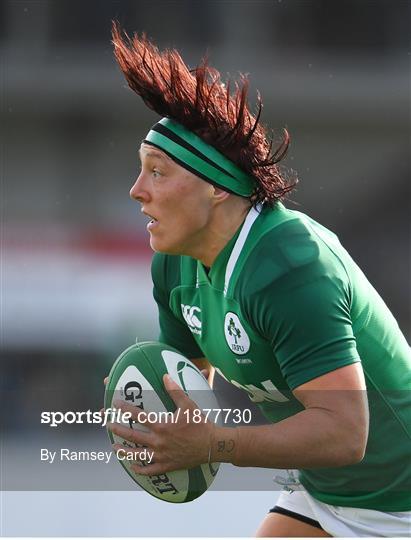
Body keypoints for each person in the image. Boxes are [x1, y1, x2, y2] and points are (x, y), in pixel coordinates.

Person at [107, 23, 411, 537]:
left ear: (216, 188)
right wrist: (145, 410)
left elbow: (345, 433)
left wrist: (212, 443)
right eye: (140, 170)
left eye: (157, 171)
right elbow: (184, 385)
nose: (137, 190)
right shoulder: (174, 262)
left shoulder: (289, 267)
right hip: (325, 493)